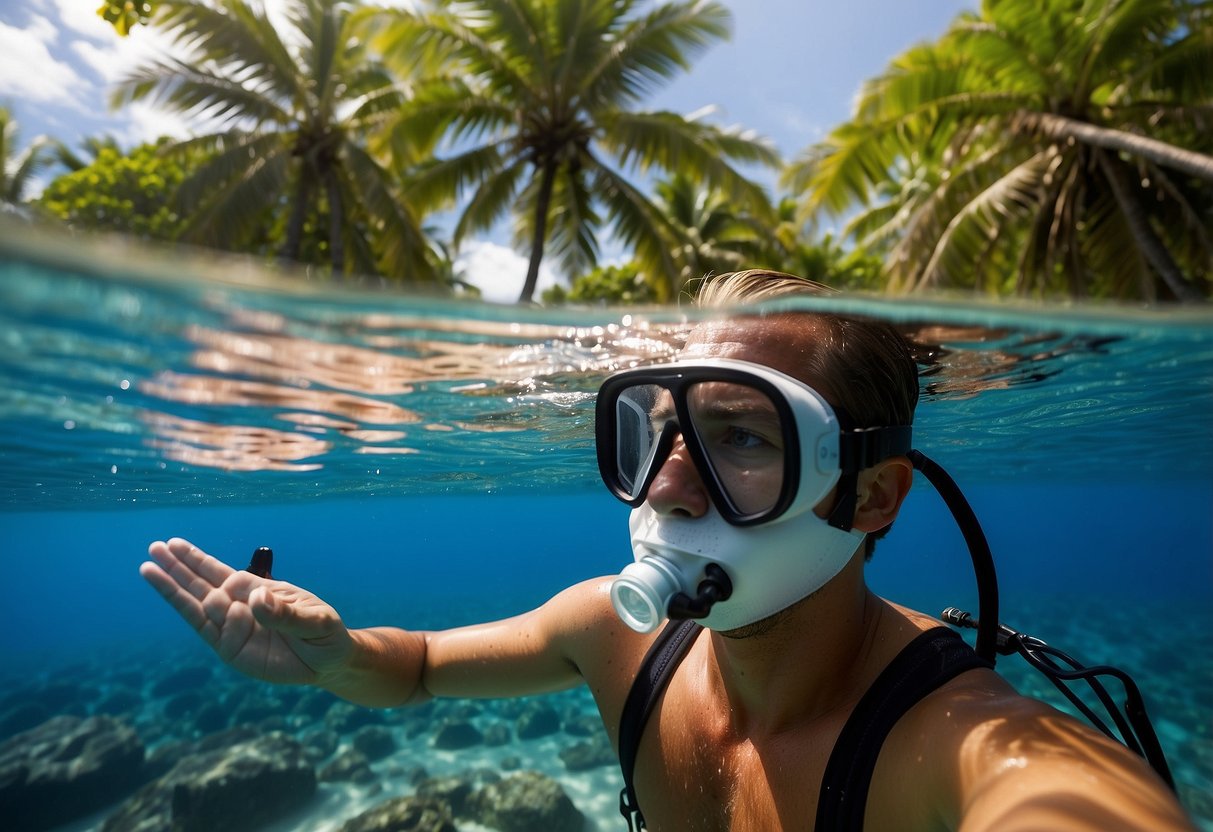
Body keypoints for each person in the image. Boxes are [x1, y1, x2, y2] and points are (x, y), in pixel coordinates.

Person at [141, 270, 1195, 831]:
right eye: (655, 433)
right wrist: (330, 654)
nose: (672, 483)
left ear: (871, 495)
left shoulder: (968, 748)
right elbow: (413, 668)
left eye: (740, 435)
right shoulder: (611, 627)